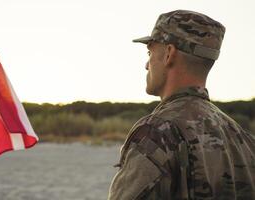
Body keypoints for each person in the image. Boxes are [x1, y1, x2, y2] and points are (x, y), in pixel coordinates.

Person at [108, 10, 255, 200]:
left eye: (150, 51)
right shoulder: (243, 140)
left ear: (169, 54)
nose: (146, 64)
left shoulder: (158, 131)